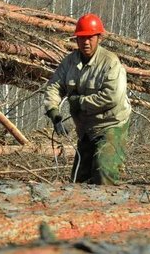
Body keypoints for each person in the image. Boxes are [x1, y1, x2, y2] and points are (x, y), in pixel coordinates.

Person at [44, 13, 131, 185]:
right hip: (86, 129)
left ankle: (108, 210)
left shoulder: (110, 63)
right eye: (81, 38)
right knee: (79, 180)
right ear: (76, 39)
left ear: (99, 38)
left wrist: (80, 102)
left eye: (90, 37)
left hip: (111, 124)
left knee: (103, 171)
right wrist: (54, 112)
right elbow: (54, 86)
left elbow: (111, 97)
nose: (85, 42)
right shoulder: (70, 62)